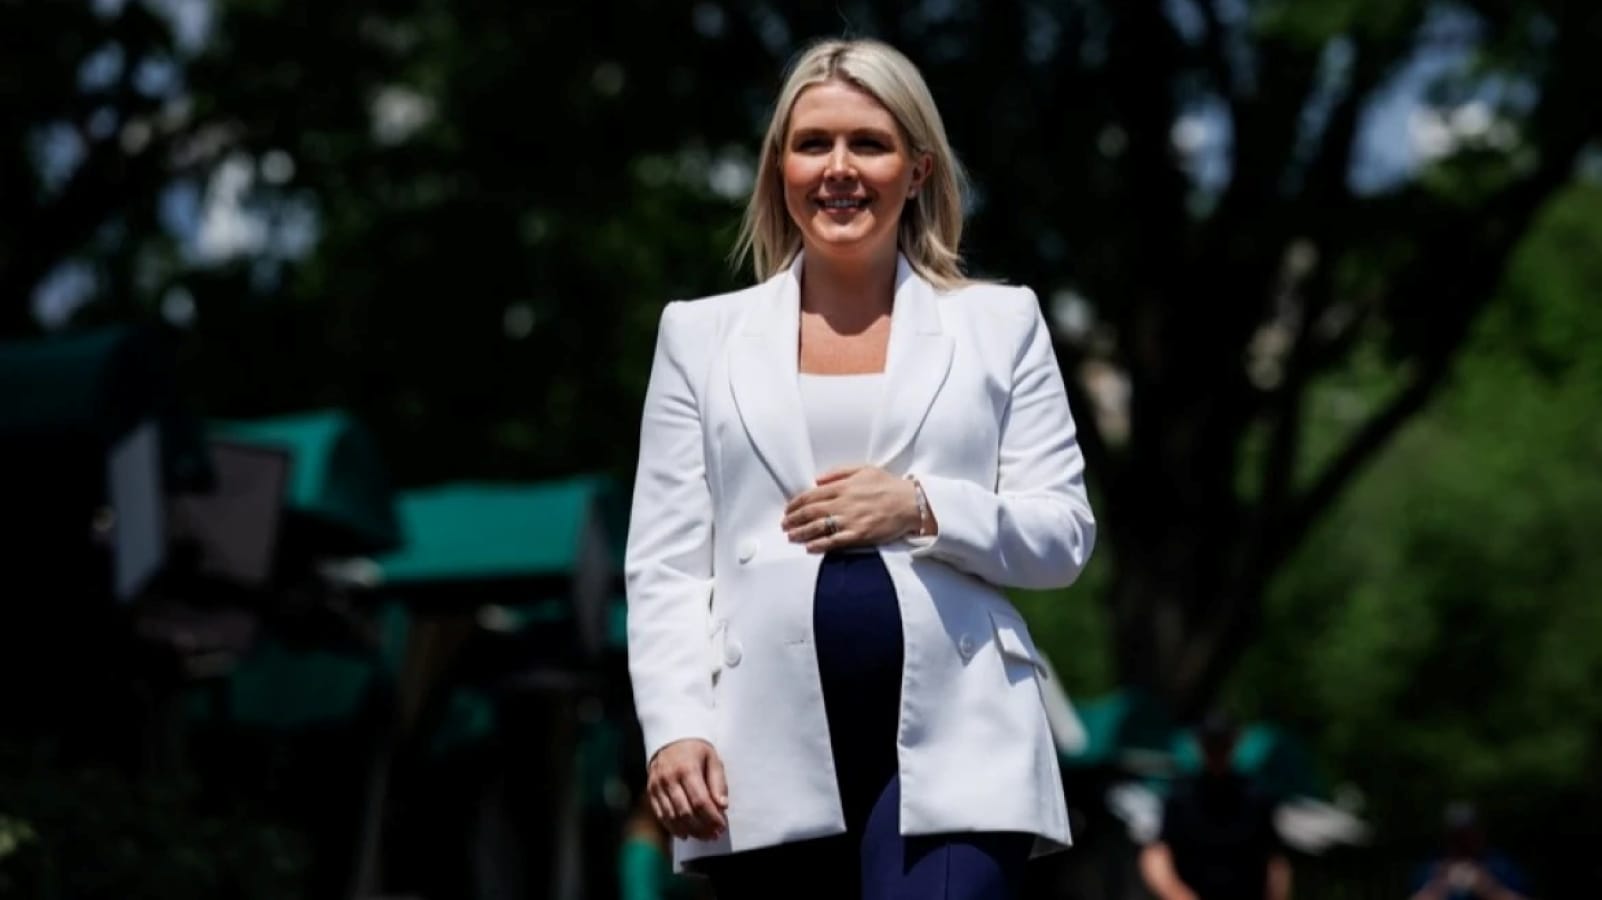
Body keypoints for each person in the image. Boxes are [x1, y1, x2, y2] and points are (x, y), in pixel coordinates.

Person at [624, 37, 1096, 900]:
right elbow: (667, 566)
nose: (839, 169)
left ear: (917, 170)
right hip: (761, 754)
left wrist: (920, 506)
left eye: (869, 144)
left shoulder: (1002, 324)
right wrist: (675, 726)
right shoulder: (697, 336)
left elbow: (1062, 535)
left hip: (961, 748)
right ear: (780, 169)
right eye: (814, 144)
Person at [1139, 714, 1292, 900]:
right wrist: (1177, 894)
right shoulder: (1180, 797)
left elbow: (1275, 860)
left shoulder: (1256, 798)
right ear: (1198, 744)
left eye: (1222, 743)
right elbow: (1157, 853)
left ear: (1235, 743)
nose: (1216, 750)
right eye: (1211, 743)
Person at [1407, 803, 1531, 900]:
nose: (1462, 841)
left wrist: (1486, 887)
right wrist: (1441, 885)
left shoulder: (1501, 866)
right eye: (1457, 835)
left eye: (1467, 834)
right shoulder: (1431, 868)